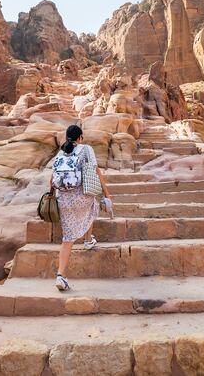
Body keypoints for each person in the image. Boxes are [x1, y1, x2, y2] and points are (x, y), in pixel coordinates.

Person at [50, 125, 112, 291]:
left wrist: (51, 195)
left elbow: (53, 176)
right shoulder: (86, 149)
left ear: (67, 137)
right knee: (93, 206)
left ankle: (61, 276)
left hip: (63, 199)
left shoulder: (61, 152)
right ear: (80, 138)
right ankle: (87, 240)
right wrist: (106, 193)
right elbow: (96, 171)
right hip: (82, 196)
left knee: (67, 238)